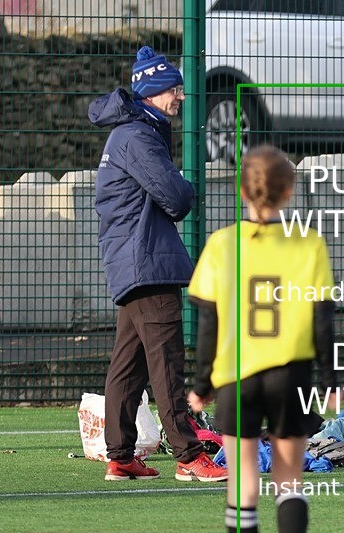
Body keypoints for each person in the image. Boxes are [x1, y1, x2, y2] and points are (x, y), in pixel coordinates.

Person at [187, 145, 338, 533]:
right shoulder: (309, 243)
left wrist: (202, 382)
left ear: (241, 190)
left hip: (237, 376)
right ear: (289, 190)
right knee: (290, 479)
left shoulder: (220, 243)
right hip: (290, 375)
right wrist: (330, 382)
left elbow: (208, 322)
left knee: (242, 487)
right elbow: (322, 322)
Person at [88, 46, 227, 483]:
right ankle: (189, 456)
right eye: (174, 90)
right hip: (147, 261)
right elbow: (177, 197)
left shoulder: (133, 133)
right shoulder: (138, 137)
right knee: (166, 361)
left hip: (133, 262)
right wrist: (184, 184)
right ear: (151, 92)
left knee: (128, 364)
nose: (180, 97)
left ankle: (121, 456)